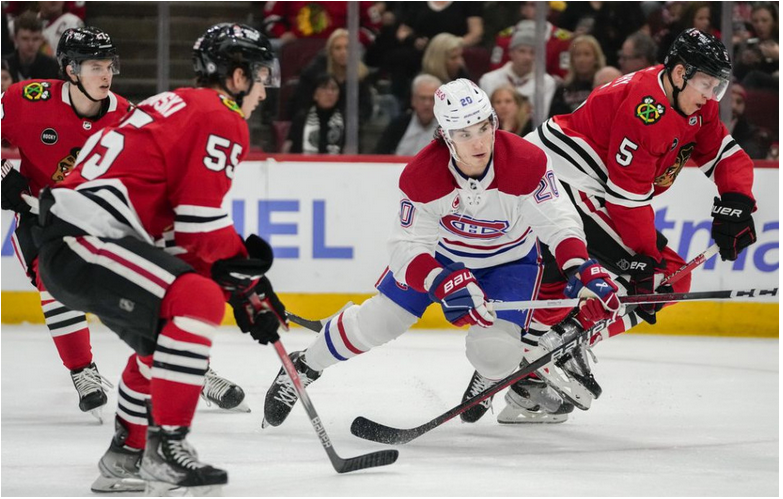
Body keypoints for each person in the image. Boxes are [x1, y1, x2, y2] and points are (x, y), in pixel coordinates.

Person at [262, 78, 621, 429]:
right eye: (464, 133)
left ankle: (488, 373)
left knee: (497, 354)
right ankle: (303, 366)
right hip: (440, 260)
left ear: (494, 122)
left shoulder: (527, 162)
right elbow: (406, 248)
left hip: (509, 263)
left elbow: (558, 222)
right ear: (445, 136)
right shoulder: (423, 175)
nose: (478, 141)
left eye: (483, 127)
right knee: (379, 323)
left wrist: (581, 267)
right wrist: (441, 280)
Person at [32, 23, 286, 494]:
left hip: (73, 244)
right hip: (85, 240)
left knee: (164, 340)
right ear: (235, 77)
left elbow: (177, 234)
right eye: (260, 75)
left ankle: (124, 456)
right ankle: (165, 448)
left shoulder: (178, 105)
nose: (264, 89)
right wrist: (247, 287)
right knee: (198, 299)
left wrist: (245, 287)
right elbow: (200, 228)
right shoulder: (222, 115)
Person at [521, 28, 757, 418]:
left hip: (596, 187)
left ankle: (546, 364)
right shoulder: (646, 109)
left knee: (673, 278)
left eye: (717, 86)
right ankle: (552, 343)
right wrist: (643, 258)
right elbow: (627, 201)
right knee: (658, 274)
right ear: (680, 73)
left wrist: (737, 201)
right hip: (557, 178)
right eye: (704, 83)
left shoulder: (695, 104)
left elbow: (726, 156)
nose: (710, 95)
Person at [2, 26, 130, 421]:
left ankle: (184, 362)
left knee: (145, 286)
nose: (105, 75)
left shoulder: (126, 116)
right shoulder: (25, 99)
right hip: (41, 218)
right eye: (95, 66)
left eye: (109, 66)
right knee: (53, 279)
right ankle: (83, 372)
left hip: (96, 220)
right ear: (71, 70)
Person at [479, 20, 558, 118]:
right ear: (511, 53)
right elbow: (486, 116)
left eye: (532, 52)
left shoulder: (546, 82)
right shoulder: (489, 80)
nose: (527, 57)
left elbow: (541, 117)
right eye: (522, 51)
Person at [375, 74, 441, 156]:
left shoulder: (448, 129)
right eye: (423, 98)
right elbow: (380, 155)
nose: (427, 104)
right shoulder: (398, 125)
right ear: (413, 100)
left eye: (432, 99)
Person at [284, 73, 345, 154]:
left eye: (333, 89)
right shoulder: (301, 118)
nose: (329, 93)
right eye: (324, 88)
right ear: (315, 95)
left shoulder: (346, 120)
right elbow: (290, 147)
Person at [549, 35, 607, 115]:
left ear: (596, 58)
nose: (581, 60)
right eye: (577, 55)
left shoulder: (604, 85)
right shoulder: (563, 89)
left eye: (587, 54)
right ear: (572, 60)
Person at [5, 11, 59, 81]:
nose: (30, 44)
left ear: (41, 40)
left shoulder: (53, 67)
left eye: (35, 39)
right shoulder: (5, 65)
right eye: (25, 38)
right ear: (15, 38)